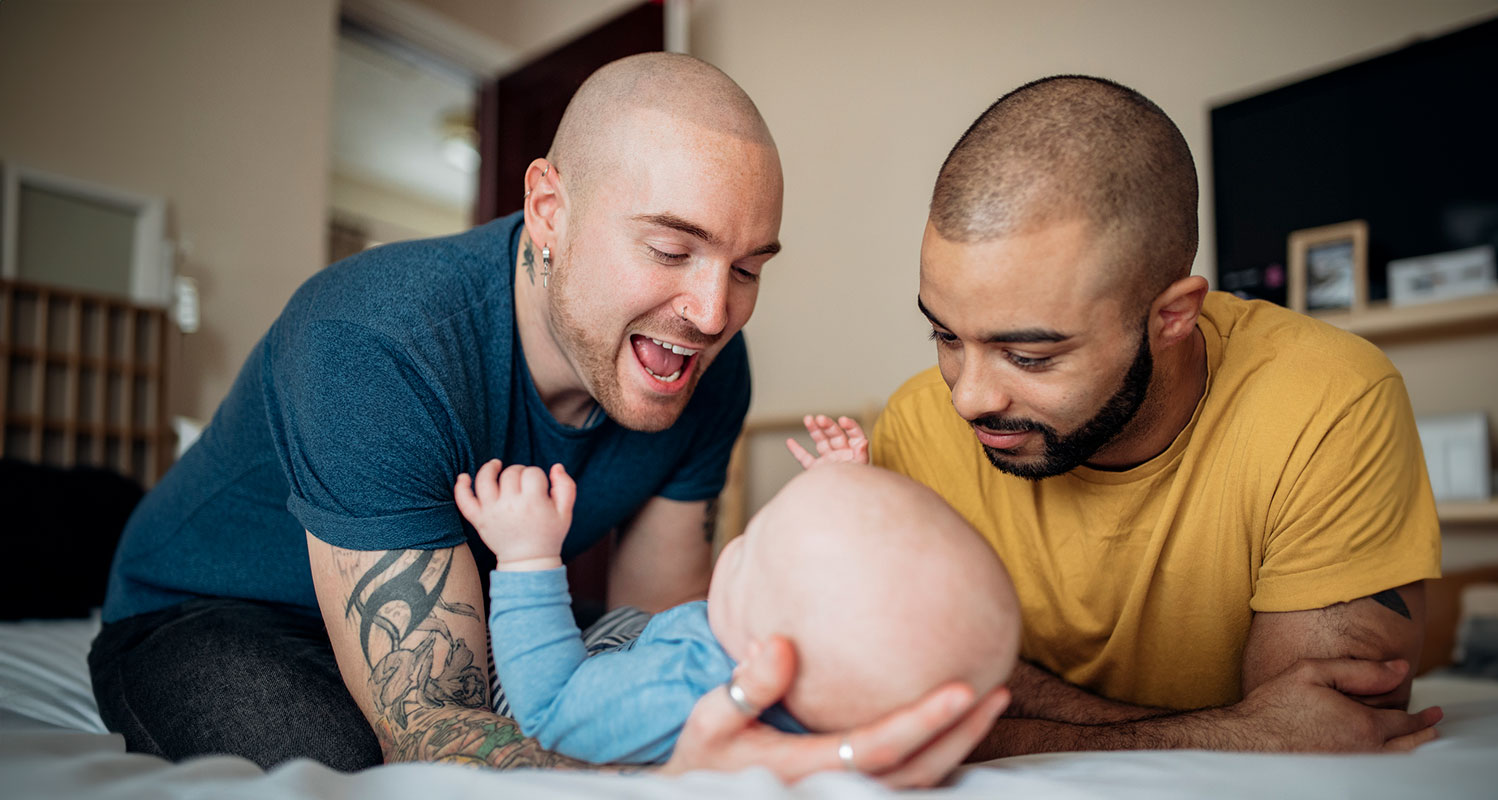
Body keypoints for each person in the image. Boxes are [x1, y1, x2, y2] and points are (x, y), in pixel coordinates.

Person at [88, 53, 1005, 786]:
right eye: (671, 248)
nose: (714, 311)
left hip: (476, 612)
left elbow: (663, 625)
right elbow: (434, 728)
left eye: (748, 266)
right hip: (211, 613)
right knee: (352, 772)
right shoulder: (371, 341)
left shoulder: (707, 369)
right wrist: (682, 773)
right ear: (548, 210)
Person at [862, 74, 1443, 755]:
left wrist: (1014, 714)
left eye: (1028, 356)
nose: (967, 397)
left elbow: (1313, 746)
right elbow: (892, 709)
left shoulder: (1329, 401)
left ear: (1173, 316)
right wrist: (1232, 732)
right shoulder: (917, 424)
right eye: (946, 336)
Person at [456, 458, 1018, 765]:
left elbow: (552, 704)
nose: (735, 545)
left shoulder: (685, 686)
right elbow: (856, 589)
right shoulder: (831, 694)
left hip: (548, 672)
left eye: (752, 546)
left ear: (761, 657)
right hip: (630, 638)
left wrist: (528, 555)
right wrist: (845, 482)